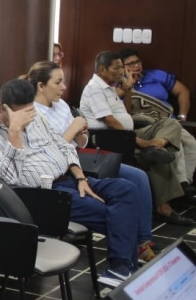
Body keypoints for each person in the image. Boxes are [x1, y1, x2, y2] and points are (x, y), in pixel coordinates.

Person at [0, 79, 142, 288]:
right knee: (117, 215)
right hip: (40, 195)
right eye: (21, 116)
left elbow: (64, 146)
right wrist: (15, 133)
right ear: (0, 108)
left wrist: (80, 177)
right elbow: (10, 179)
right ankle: (125, 274)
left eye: (30, 113)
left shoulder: (35, 116)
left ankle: (121, 272)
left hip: (71, 179)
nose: (28, 121)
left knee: (126, 190)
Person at [26, 61, 160, 262]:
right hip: (58, 170)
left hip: (77, 158)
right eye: (58, 82)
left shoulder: (61, 106)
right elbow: (51, 153)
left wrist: (81, 134)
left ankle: (143, 241)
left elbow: (80, 141)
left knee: (137, 179)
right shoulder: (31, 114)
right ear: (41, 86)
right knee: (117, 201)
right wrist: (73, 131)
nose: (64, 87)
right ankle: (127, 255)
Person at [80, 51, 194, 226]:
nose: (120, 72)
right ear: (103, 69)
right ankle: (164, 207)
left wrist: (128, 91)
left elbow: (125, 113)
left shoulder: (110, 86)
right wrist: (140, 142)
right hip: (112, 139)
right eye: (117, 68)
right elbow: (110, 121)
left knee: (171, 124)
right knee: (156, 158)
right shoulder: (95, 89)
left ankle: (157, 146)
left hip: (128, 133)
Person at [119, 48, 196, 196]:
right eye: (130, 64)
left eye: (138, 61)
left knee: (191, 143)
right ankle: (182, 185)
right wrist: (129, 84)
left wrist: (182, 117)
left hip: (169, 119)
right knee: (175, 143)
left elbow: (183, 92)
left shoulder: (156, 75)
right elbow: (120, 108)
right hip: (145, 124)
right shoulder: (119, 85)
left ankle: (185, 185)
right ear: (122, 67)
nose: (136, 66)